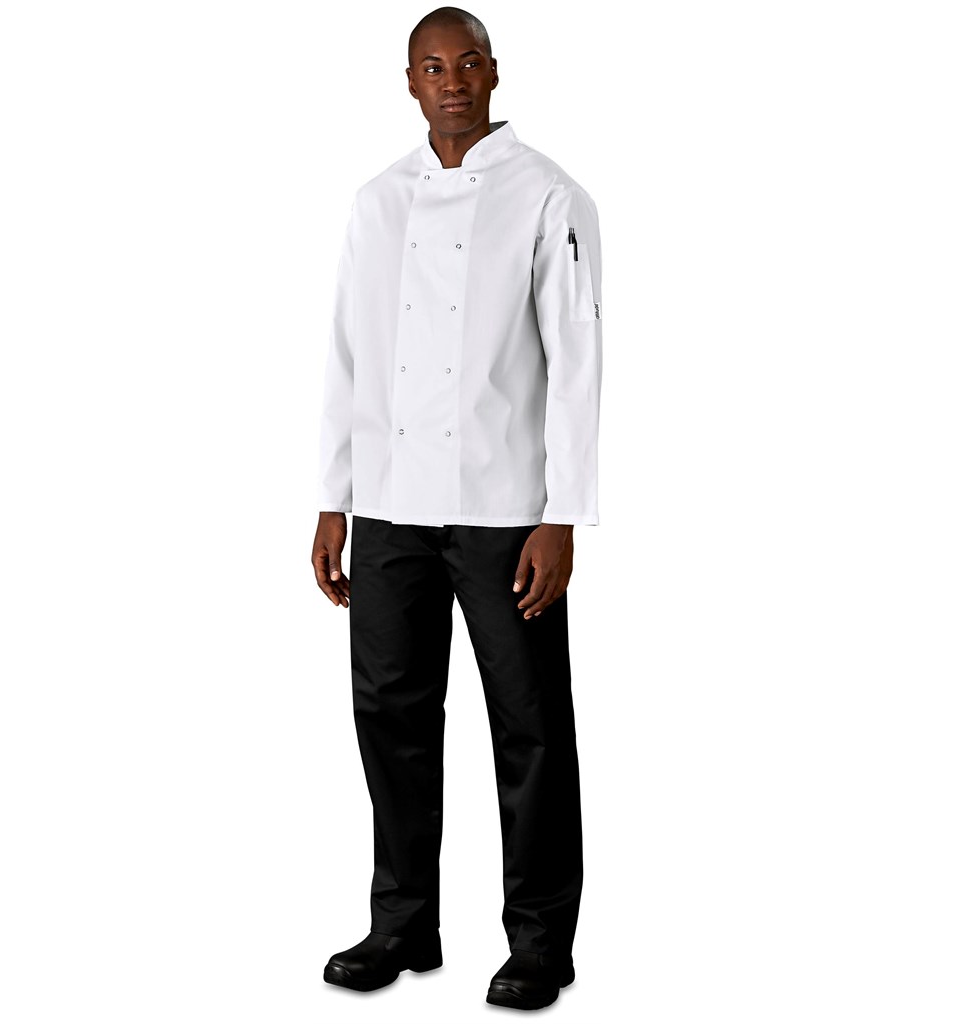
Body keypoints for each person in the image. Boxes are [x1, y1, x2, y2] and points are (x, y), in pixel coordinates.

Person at [311, 6, 603, 1012]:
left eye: (466, 62)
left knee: (529, 726)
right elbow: (347, 353)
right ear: (409, 82)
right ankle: (403, 923)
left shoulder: (549, 196)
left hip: (501, 505)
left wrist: (561, 513)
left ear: (493, 71)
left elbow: (576, 365)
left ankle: (541, 943)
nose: (451, 81)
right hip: (390, 505)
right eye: (431, 67)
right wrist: (333, 498)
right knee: (389, 716)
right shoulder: (376, 201)